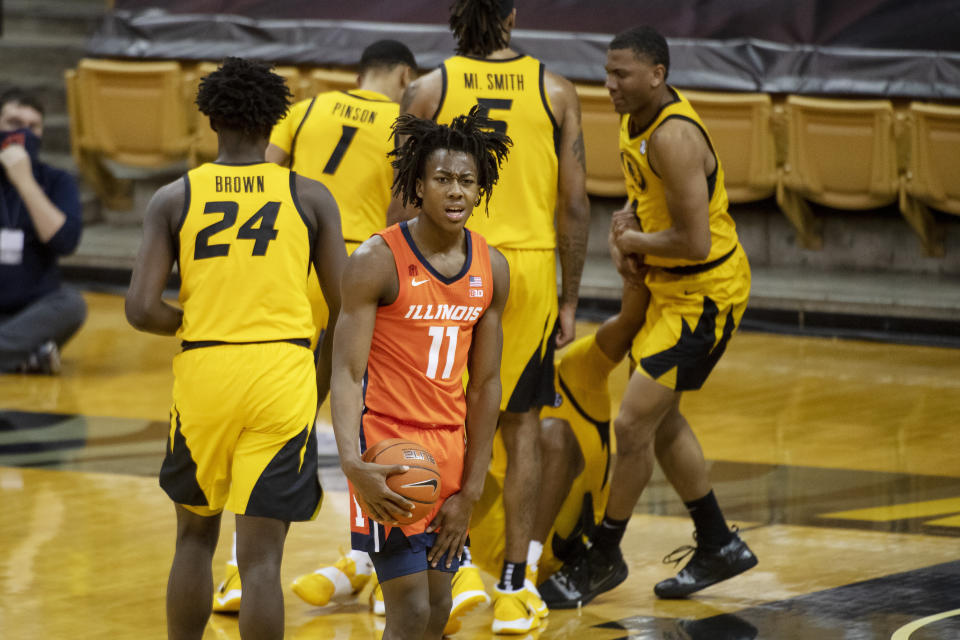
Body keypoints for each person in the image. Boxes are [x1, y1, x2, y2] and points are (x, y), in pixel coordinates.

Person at [124, 57, 347, 640]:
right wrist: (318, 384)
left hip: (206, 370)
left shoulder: (175, 196)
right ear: (277, 121)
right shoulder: (311, 196)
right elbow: (346, 310)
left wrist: (197, 320)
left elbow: (141, 310)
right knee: (262, 560)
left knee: (194, 539)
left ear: (210, 120)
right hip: (282, 372)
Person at [539, 25, 758, 608]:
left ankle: (605, 553)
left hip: (704, 298)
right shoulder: (635, 119)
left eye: (621, 75)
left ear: (657, 75)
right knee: (660, 425)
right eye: (607, 73)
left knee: (633, 424)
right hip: (668, 291)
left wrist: (633, 241)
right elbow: (644, 197)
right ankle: (718, 544)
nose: (609, 84)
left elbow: (692, 240)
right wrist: (626, 231)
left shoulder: (674, 136)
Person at [389, 0, 591, 631]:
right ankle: (515, 578)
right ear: (511, 15)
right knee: (520, 423)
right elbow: (576, 204)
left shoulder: (428, 87)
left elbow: (400, 196)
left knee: (436, 411)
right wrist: (570, 295)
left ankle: (442, 562)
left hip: (448, 256)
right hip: (526, 268)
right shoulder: (554, 88)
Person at [209, 39, 418, 615]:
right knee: (368, 419)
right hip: (362, 279)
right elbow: (405, 216)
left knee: (276, 432)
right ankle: (386, 572)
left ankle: (233, 573)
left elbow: (262, 181)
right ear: (405, 74)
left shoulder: (305, 110)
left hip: (295, 268)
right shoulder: (407, 119)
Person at [332, 107, 509, 640]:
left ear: (480, 189)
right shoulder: (376, 259)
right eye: (442, 179)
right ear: (417, 184)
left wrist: (472, 490)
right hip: (388, 446)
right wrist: (351, 463)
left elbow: (485, 386)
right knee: (408, 611)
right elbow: (345, 371)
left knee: (437, 611)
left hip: (452, 451)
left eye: (466, 180)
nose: (455, 191)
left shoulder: (492, 267)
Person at [468, 282, 648, 587]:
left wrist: (632, 267)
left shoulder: (579, 367)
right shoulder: (486, 378)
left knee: (553, 434)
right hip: (495, 535)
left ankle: (526, 563)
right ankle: (402, 565)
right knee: (437, 445)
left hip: (563, 539)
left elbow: (630, 321)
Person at [0, 87, 85, 374]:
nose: (24, 134)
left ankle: (16, 352)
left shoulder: (57, 181)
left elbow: (65, 242)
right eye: (14, 124)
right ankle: (26, 357)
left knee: (72, 304)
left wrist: (24, 181)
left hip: (33, 312)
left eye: (33, 127)